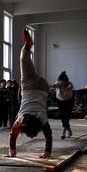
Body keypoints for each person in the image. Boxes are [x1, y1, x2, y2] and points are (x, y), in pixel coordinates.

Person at [8, 28, 53, 159]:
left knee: (25, 64)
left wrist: (47, 153)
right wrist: (12, 151)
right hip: (29, 87)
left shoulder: (42, 119)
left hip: (44, 88)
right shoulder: (21, 120)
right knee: (23, 60)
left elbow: (49, 136)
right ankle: (27, 46)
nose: (32, 137)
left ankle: (27, 46)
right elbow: (12, 135)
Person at [53, 71, 74, 139]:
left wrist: (67, 88)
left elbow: (70, 87)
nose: (61, 83)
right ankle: (70, 131)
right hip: (60, 101)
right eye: (60, 81)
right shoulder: (57, 83)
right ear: (59, 80)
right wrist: (57, 86)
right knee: (62, 117)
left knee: (66, 117)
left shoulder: (69, 84)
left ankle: (63, 132)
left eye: (63, 82)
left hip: (69, 101)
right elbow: (53, 85)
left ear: (66, 81)